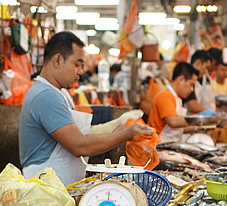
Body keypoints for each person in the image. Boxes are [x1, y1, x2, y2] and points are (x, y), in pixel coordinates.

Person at [19, 31, 151, 186]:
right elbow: (79, 145)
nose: (81, 71)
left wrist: (119, 125)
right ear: (57, 60)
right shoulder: (46, 96)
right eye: (77, 64)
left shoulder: (60, 93)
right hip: (43, 193)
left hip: (56, 190)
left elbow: (81, 133)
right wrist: (127, 134)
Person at [147, 62, 199, 144]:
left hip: (169, 143)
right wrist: (198, 120)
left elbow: (178, 129)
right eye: (191, 84)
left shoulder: (177, 99)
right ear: (181, 80)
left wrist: (200, 127)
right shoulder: (165, 96)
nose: (192, 89)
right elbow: (173, 122)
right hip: (157, 146)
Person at [184, 49, 215, 114]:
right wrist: (209, 111)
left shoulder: (203, 78)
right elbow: (192, 105)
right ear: (198, 63)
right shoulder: (187, 76)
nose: (206, 71)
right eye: (206, 67)